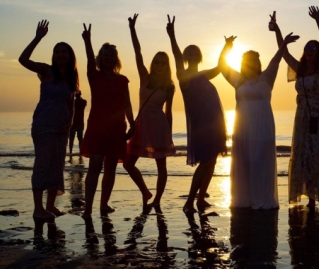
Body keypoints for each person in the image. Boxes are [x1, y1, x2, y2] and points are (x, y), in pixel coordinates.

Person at [218, 29, 299, 209]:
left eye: (254, 61)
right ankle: (244, 201)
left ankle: (262, 200)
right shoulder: (237, 79)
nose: (251, 64)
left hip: (263, 129)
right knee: (244, 163)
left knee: (260, 162)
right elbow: (222, 65)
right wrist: (227, 46)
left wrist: (283, 43)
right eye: (247, 61)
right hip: (242, 130)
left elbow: (276, 60)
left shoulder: (266, 78)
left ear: (258, 63)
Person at [271, 8, 319, 210]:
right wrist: (277, 31)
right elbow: (284, 54)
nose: (309, 50)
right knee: (304, 155)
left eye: (313, 48)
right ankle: (311, 198)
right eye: (307, 47)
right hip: (301, 119)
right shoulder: (299, 69)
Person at [166, 15, 227, 213]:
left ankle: (201, 198)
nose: (192, 56)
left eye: (195, 53)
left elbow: (220, 67)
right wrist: (172, 35)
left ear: (199, 57)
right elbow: (176, 56)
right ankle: (189, 201)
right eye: (189, 54)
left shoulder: (203, 74)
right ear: (185, 57)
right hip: (200, 125)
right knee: (206, 161)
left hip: (214, 122)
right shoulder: (183, 76)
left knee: (213, 160)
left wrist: (226, 48)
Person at [18, 19, 78, 221]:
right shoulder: (46, 70)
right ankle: (38, 209)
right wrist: (37, 38)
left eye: (64, 51)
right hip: (44, 125)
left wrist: (70, 123)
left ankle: (50, 206)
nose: (61, 55)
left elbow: (71, 103)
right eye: (57, 51)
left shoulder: (72, 77)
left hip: (62, 127)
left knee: (57, 165)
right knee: (43, 164)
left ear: (70, 56)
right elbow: (23, 59)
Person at [80, 23, 135, 218]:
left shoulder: (123, 80)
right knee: (95, 166)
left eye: (111, 55)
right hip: (97, 127)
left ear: (116, 59)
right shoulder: (94, 76)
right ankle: (87, 209)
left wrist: (133, 124)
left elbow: (127, 104)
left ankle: (104, 204)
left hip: (117, 129)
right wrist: (87, 41)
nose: (108, 57)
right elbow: (88, 58)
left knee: (111, 168)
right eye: (105, 54)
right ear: (100, 58)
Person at [123, 13, 176, 208]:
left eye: (163, 62)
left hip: (159, 126)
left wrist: (169, 132)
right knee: (128, 163)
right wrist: (132, 30)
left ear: (167, 65)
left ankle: (158, 200)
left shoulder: (169, 87)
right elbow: (138, 53)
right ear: (153, 64)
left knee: (161, 166)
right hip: (142, 125)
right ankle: (145, 192)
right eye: (157, 61)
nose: (160, 65)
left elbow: (169, 111)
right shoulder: (144, 78)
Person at [69, 91, 87, 157]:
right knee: (80, 139)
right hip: (79, 123)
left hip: (73, 123)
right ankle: (80, 152)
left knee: (71, 139)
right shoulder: (83, 102)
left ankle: (70, 152)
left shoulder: (73, 102)